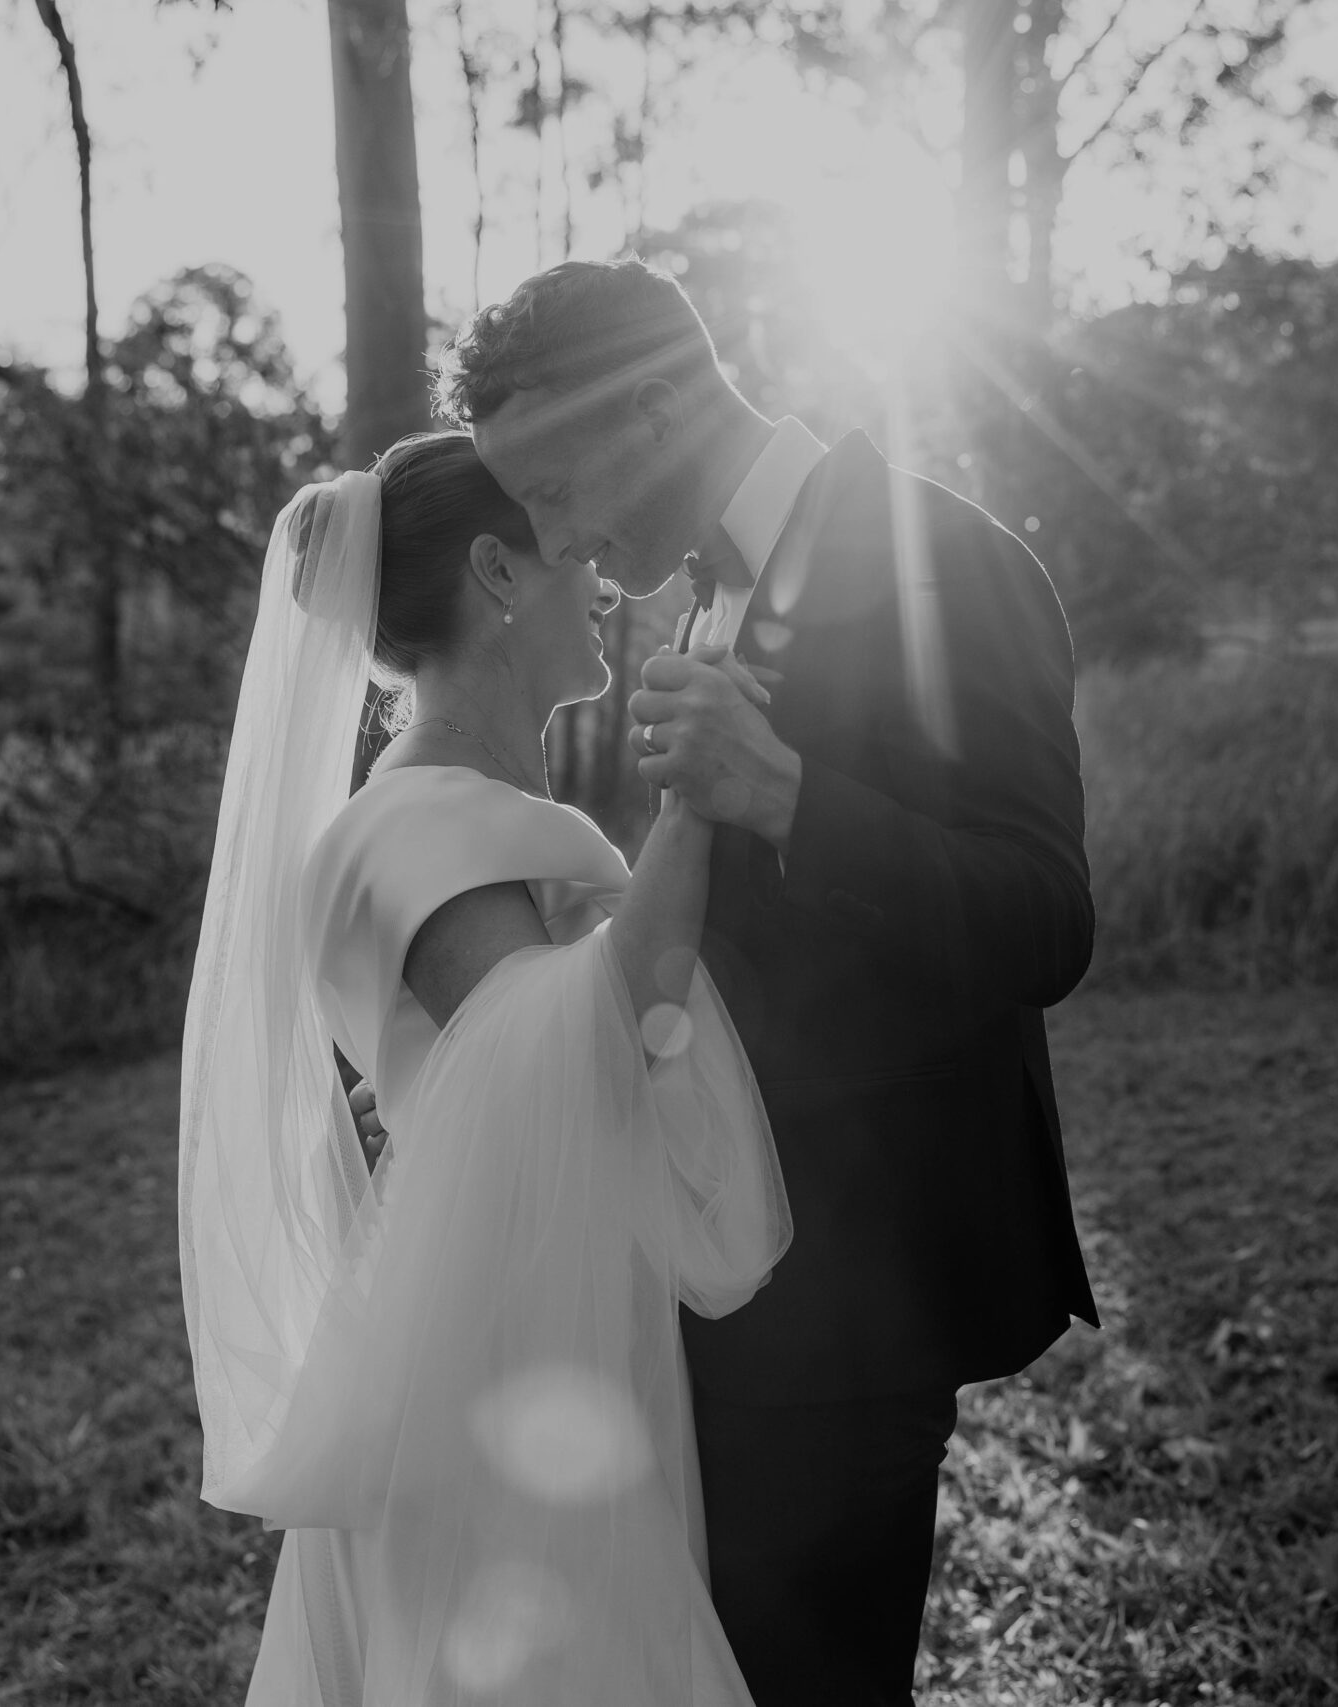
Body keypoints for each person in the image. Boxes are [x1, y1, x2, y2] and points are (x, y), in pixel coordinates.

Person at [451, 258, 1101, 1706]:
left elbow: (1047, 918)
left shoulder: (948, 558)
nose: (557, 537)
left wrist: (793, 795)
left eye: (555, 486)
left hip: (857, 1282)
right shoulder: (693, 611)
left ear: (659, 401)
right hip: (717, 1266)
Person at [178, 432, 792, 1704]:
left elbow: (474, 1063)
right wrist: (695, 797)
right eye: (570, 549)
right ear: (496, 574)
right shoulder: (408, 816)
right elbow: (570, 1048)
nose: (604, 579)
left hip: (531, 1298)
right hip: (495, 1345)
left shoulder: (473, 805)